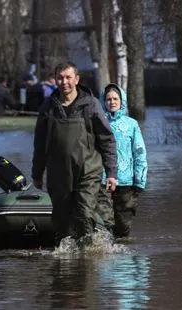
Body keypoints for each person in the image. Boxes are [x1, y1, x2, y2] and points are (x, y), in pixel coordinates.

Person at [31, 61, 118, 246]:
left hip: (88, 169)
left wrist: (111, 173)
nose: (64, 82)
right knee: (61, 219)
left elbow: (106, 139)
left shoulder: (91, 104)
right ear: (55, 80)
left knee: (84, 212)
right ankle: (66, 257)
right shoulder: (48, 106)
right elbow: (39, 143)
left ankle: (88, 255)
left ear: (76, 79)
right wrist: (37, 174)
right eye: (60, 78)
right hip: (58, 172)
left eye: (68, 77)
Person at [97, 83, 148, 238]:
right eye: (108, 99)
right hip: (102, 180)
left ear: (122, 101)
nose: (112, 102)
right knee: (105, 221)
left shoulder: (131, 124)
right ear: (103, 102)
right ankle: (107, 256)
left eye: (115, 99)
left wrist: (139, 181)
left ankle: (123, 259)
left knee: (124, 225)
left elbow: (139, 152)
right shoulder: (97, 123)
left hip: (126, 182)